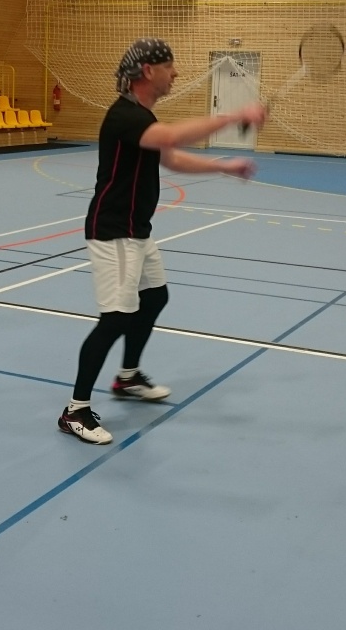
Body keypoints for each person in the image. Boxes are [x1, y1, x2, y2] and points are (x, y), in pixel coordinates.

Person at [57, 38, 266, 445]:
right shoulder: (124, 116)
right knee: (115, 318)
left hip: (137, 228)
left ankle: (128, 377)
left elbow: (171, 156)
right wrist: (235, 115)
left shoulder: (143, 117)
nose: (176, 73)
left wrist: (224, 167)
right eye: (170, 66)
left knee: (154, 297)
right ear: (148, 71)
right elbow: (171, 136)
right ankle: (75, 410)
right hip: (113, 230)